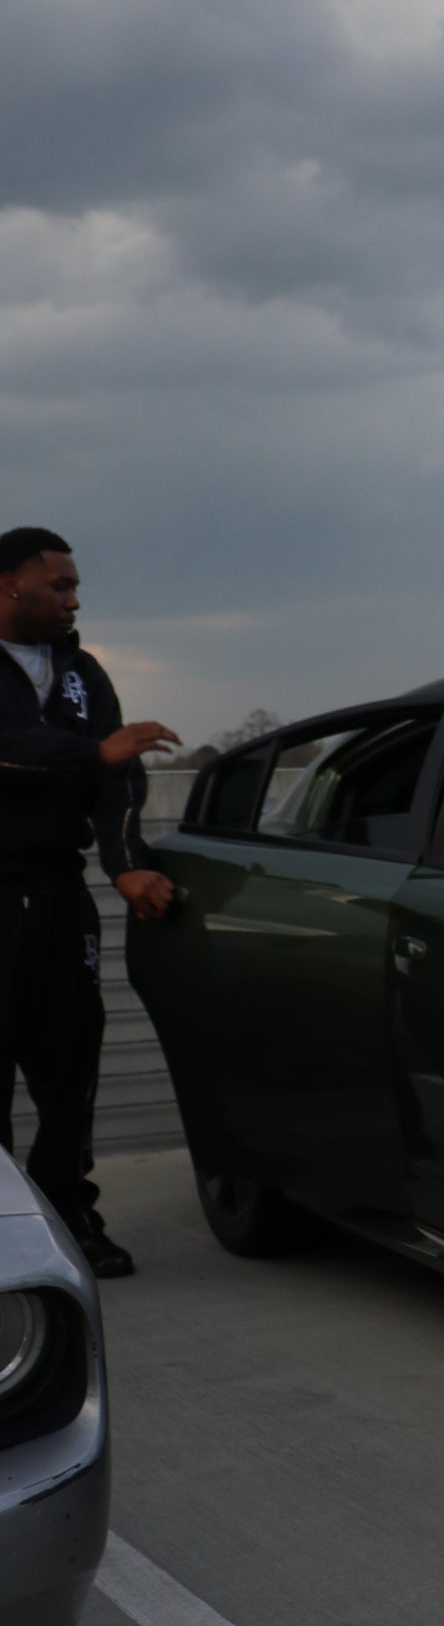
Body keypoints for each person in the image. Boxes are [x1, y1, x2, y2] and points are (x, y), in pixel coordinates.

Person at [0, 529, 179, 1276]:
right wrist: (93, 752)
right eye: (61, 586)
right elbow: (15, 749)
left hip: (58, 894)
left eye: (75, 587)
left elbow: (119, 779)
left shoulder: (83, 672)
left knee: (71, 1068)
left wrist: (127, 866)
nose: (74, 600)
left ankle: (70, 1219)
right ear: (10, 584)